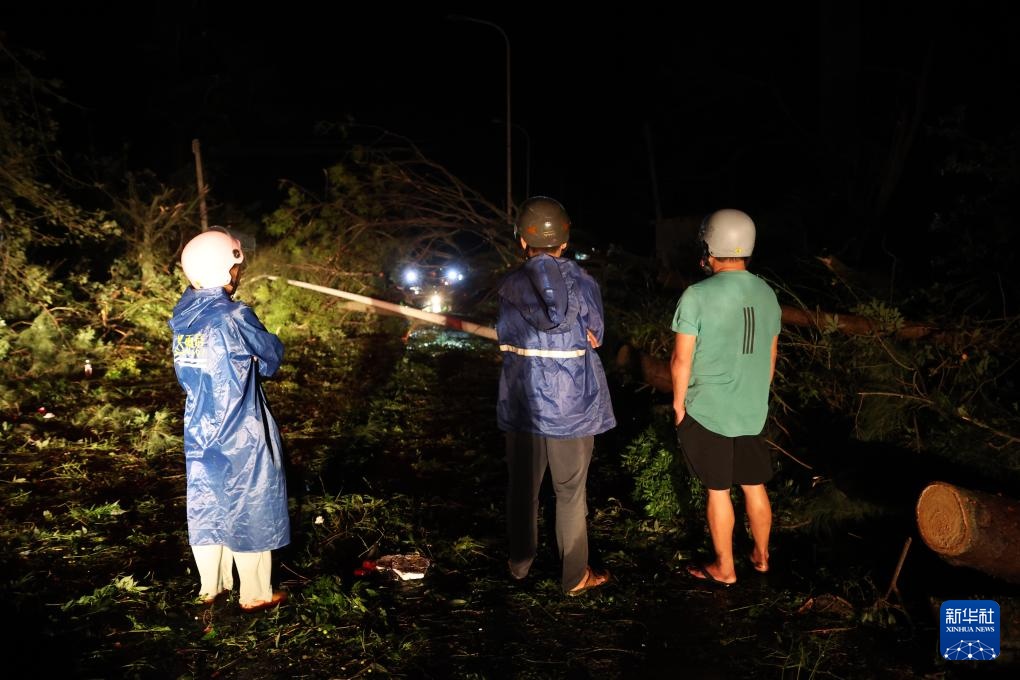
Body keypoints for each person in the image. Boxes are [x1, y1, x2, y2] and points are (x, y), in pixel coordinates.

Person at [497, 196, 616, 596]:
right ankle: (574, 576)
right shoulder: (582, 282)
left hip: (522, 404)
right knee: (570, 492)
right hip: (572, 408)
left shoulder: (510, 285)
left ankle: (519, 564)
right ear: (565, 241)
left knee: (522, 489)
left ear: (522, 242)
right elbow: (596, 335)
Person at [169, 227, 290, 611]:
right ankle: (255, 594)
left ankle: (212, 586)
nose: (240, 275)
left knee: (207, 502)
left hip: (198, 427)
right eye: (237, 267)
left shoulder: (182, 318)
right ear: (226, 269)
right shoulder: (236, 315)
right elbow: (271, 356)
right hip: (241, 426)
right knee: (250, 501)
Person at [670, 209, 781, 586]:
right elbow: (770, 358)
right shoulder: (767, 293)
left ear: (710, 245)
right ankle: (762, 557)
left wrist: (678, 405)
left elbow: (681, 359)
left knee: (719, 491)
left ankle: (725, 568)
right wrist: (755, 397)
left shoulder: (696, 295)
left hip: (709, 409)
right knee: (754, 484)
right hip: (751, 409)